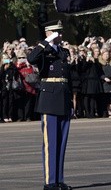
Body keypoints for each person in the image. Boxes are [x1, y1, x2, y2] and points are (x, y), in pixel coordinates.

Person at [27, 20, 73, 190]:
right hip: (49, 100)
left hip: (63, 98)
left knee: (61, 142)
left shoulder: (63, 51)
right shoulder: (43, 50)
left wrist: (71, 101)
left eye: (60, 32)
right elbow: (31, 59)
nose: (60, 35)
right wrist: (46, 41)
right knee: (50, 143)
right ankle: (50, 181)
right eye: (56, 32)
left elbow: (68, 77)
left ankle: (59, 179)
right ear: (48, 32)